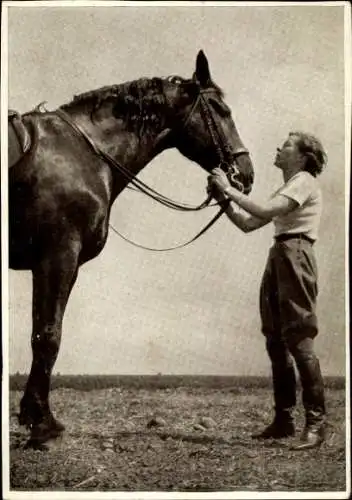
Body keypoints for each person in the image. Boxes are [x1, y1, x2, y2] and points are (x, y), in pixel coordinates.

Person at [208, 131, 328, 450]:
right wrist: (223, 198)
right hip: (281, 254)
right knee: (276, 340)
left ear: (303, 156)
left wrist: (228, 189)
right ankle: (284, 421)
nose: (279, 147)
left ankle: (316, 425)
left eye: (287, 145)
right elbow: (248, 224)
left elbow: (260, 210)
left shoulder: (304, 179)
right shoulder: (290, 186)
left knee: (299, 338)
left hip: (296, 254)